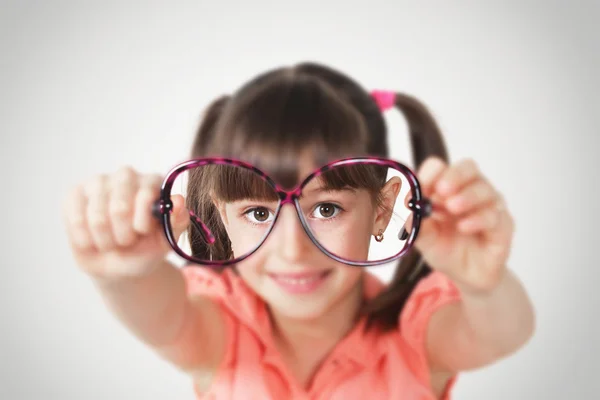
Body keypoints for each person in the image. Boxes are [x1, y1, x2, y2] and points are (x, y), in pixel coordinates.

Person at [63, 62, 535, 399]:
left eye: (327, 209)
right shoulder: (219, 329)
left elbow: (502, 332)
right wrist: (123, 273)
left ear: (381, 208)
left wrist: (483, 281)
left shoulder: (415, 338)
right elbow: (159, 311)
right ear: (219, 213)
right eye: (259, 213)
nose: (293, 250)